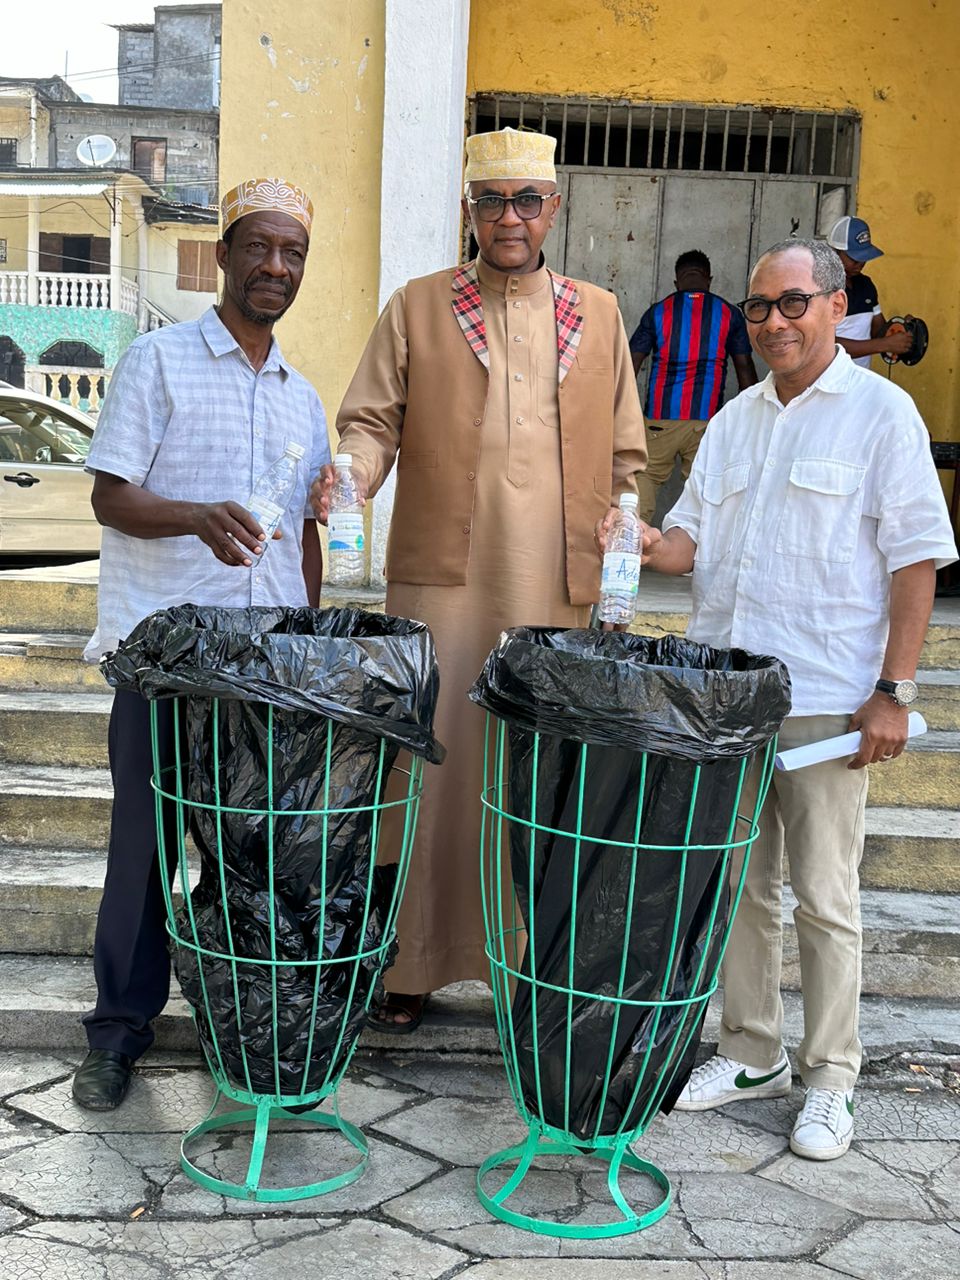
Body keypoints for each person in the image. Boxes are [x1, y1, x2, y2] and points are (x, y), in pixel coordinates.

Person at [617, 237, 956, 1160]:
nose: (773, 322)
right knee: (740, 889)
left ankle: (831, 1077)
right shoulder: (734, 420)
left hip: (827, 698)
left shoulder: (883, 416)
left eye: (793, 304)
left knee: (825, 894)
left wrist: (893, 690)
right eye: (759, 308)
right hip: (728, 700)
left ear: (836, 306)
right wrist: (641, 541)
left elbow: (916, 559)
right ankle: (751, 1051)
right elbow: (689, 546)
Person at [311, 127, 646, 1032]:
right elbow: (371, 423)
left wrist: (622, 525)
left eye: (526, 201)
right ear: (469, 209)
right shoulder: (418, 305)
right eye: (492, 200)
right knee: (434, 762)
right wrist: (353, 470)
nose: (510, 217)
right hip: (444, 579)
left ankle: (530, 975)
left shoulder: (600, 312)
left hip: (560, 583)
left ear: (553, 211)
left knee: (543, 775)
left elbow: (625, 455)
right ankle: (412, 961)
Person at [71, 177, 331, 1110]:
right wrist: (194, 518)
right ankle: (117, 1034)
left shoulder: (305, 399)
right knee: (141, 854)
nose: (275, 266)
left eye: (292, 252)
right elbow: (110, 497)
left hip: (263, 673)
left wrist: (307, 634)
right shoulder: (160, 362)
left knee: (250, 861)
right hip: (162, 660)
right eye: (258, 247)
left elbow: (304, 531)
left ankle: (247, 1032)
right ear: (222, 255)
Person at [629, 250, 757, 523]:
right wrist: (753, 417)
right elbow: (744, 368)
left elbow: (631, 363)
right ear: (709, 279)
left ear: (677, 282)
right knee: (703, 486)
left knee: (647, 476)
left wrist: (623, 412)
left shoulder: (657, 312)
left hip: (659, 419)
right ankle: (698, 553)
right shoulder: (729, 314)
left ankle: (633, 543)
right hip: (706, 420)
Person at [827, 216, 914, 367]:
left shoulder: (865, 285)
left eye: (864, 258)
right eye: (854, 259)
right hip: (826, 380)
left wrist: (899, 332)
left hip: (860, 379)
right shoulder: (821, 288)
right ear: (834, 253)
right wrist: (883, 344)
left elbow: (878, 331)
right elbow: (825, 344)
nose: (860, 264)